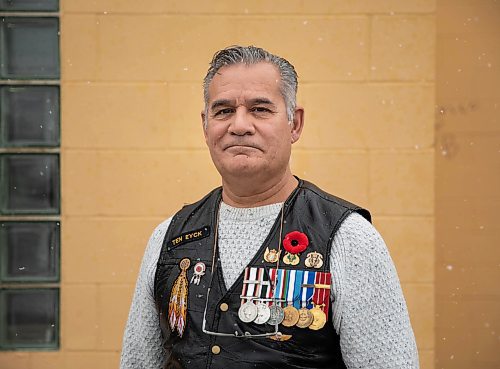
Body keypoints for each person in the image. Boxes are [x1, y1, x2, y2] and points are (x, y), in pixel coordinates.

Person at [120, 45, 419, 369]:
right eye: (223, 111)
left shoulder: (348, 239)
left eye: (260, 109)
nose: (239, 125)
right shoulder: (169, 238)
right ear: (205, 125)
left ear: (294, 124)